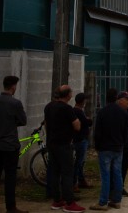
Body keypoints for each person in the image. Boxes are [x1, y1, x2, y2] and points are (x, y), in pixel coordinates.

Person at [0, 75, 28, 213]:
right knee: (10, 176)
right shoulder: (15, 103)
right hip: (10, 145)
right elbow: (23, 121)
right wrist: (12, 122)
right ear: (13, 87)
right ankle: (11, 206)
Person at [44, 85, 84, 213]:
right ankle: (69, 202)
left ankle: (57, 200)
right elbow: (77, 126)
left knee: (54, 173)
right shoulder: (67, 108)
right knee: (67, 173)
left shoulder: (49, 106)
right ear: (68, 95)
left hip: (52, 144)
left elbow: (46, 124)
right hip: (64, 145)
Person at [89, 88, 128, 211]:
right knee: (117, 174)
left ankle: (103, 202)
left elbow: (98, 131)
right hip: (118, 147)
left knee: (105, 175)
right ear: (116, 98)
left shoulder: (102, 112)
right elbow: (126, 131)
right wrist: (122, 143)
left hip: (105, 148)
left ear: (106, 98)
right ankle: (116, 200)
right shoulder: (123, 113)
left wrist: (97, 146)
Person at [72, 92, 93, 190]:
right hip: (80, 139)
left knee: (80, 162)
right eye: (84, 100)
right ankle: (74, 182)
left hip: (79, 139)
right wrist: (88, 120)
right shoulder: (78, 112)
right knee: (79, 162)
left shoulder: (76, 111)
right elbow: (87, 122)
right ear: (82, 101)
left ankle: (81, 180)